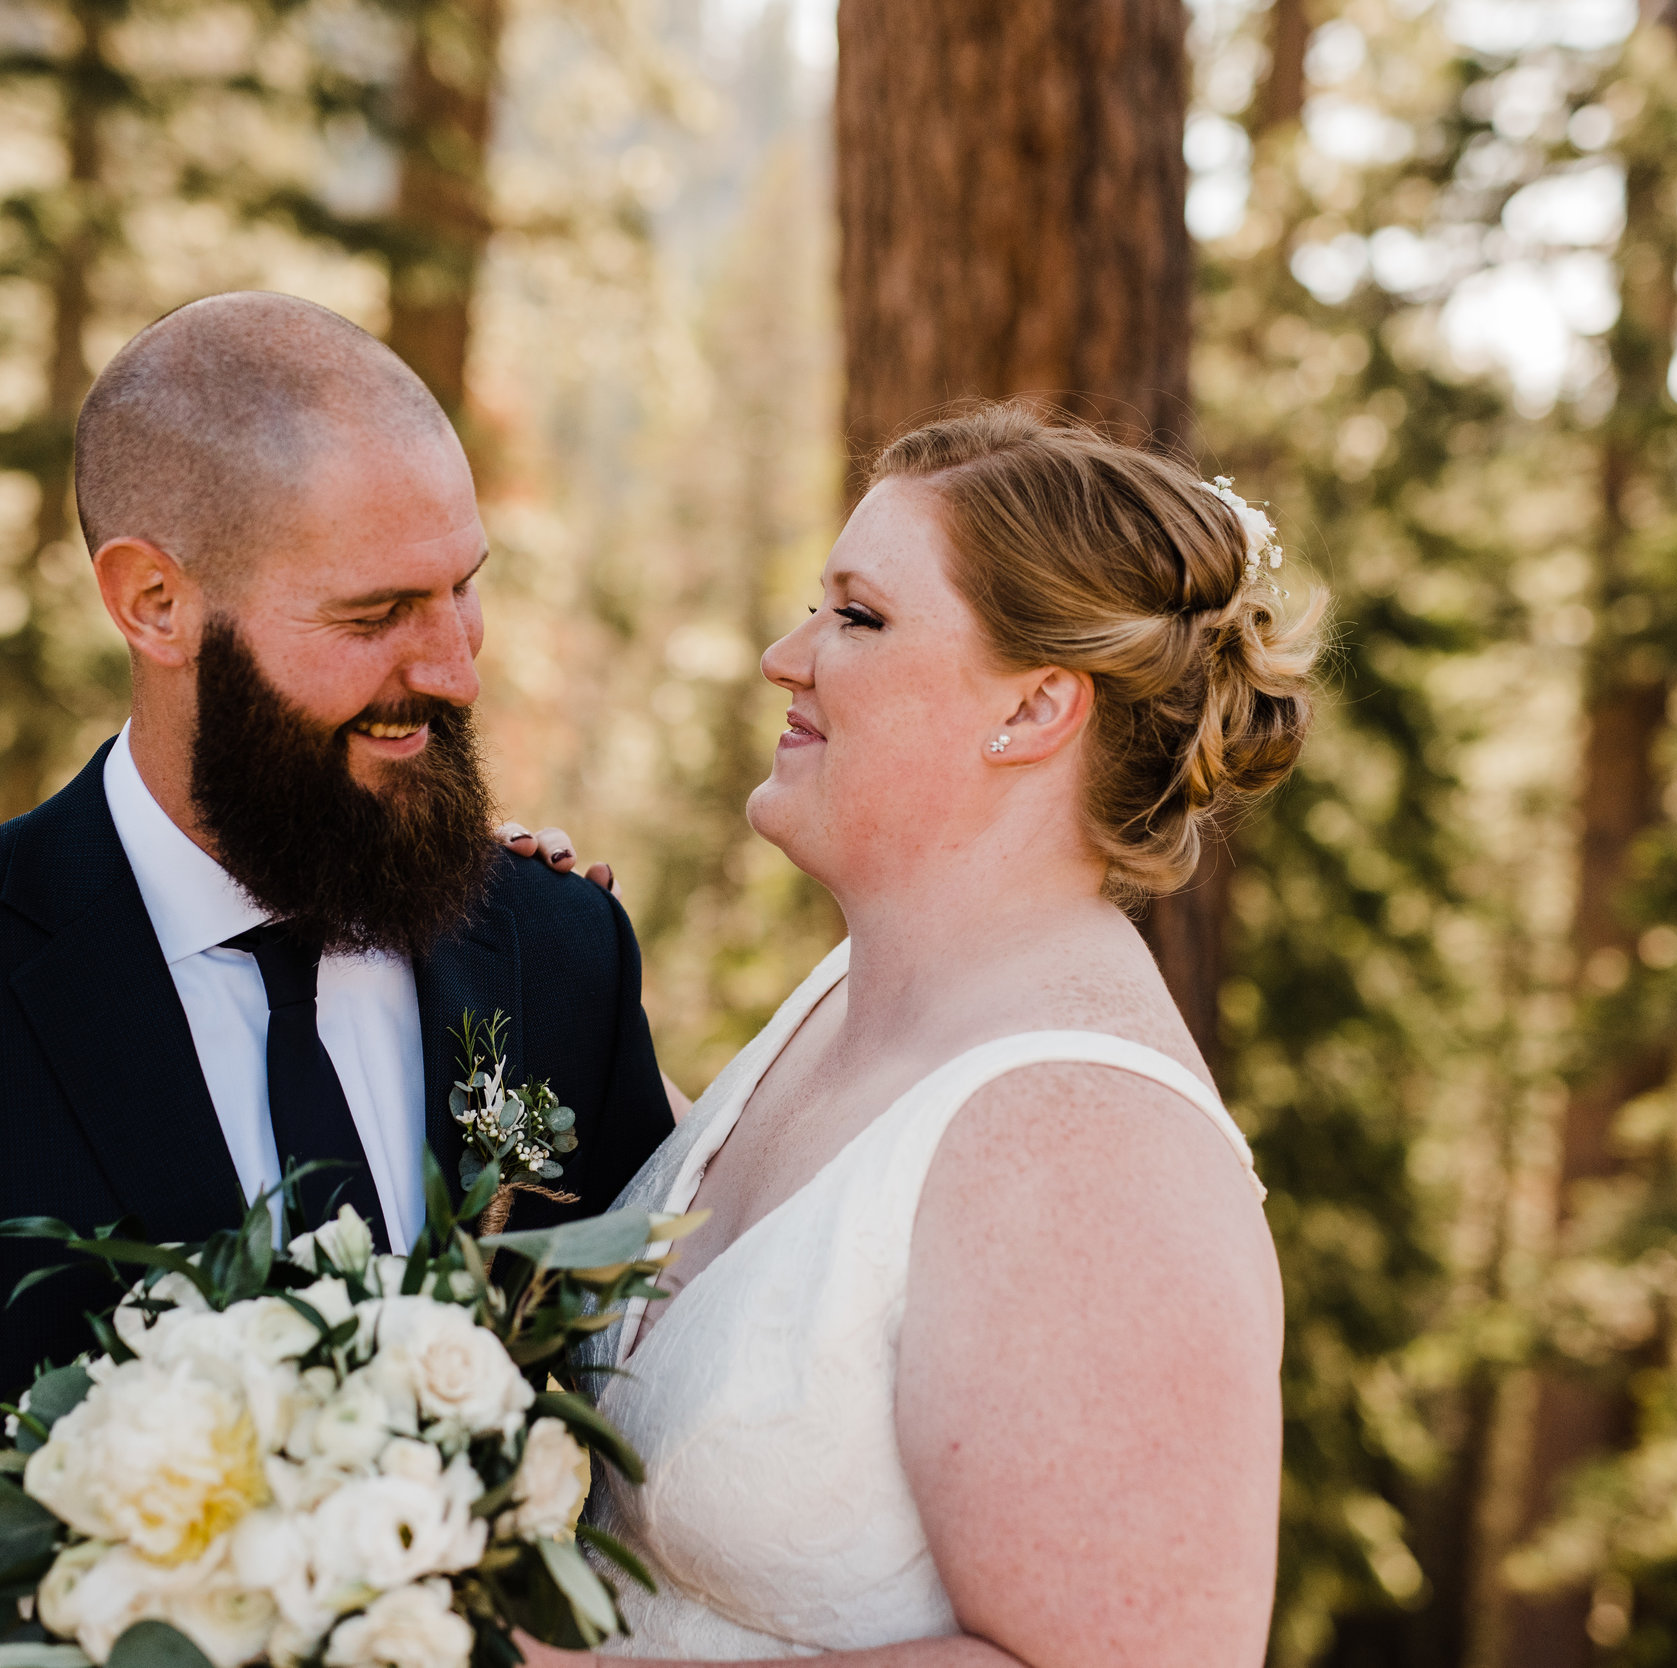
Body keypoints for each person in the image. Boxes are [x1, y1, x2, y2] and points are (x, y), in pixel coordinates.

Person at [0, 293, 678, 1666]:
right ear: (155, 601)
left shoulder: (559, 956)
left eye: (464, 586)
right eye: (375, 614)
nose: (453, 667)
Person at [550, 405, 1317, 1666]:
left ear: (1031, 710)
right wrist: (521, 980)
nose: (783, 656)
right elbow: (790, 1299)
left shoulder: (1096, 1155)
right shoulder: (853, 998)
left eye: (857, 616)